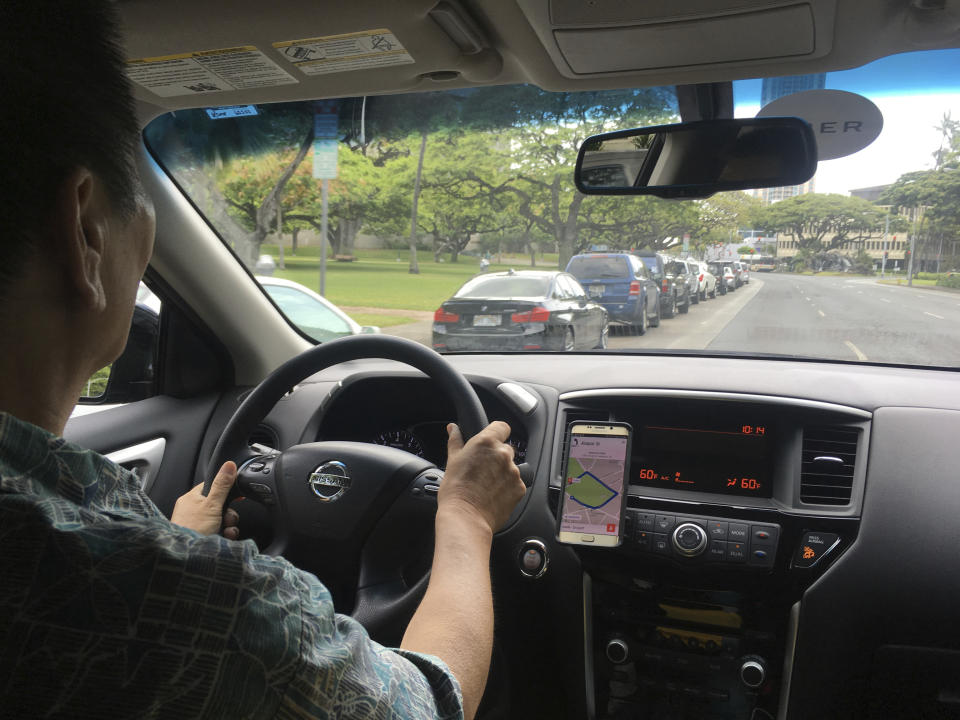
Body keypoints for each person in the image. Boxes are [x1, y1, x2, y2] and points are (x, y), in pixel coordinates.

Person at [0, 2, 526, 718]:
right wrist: (465, 516)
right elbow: (432, 703)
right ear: (86, 232)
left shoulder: (128, 580)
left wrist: (170, 542)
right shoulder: (207, 612)